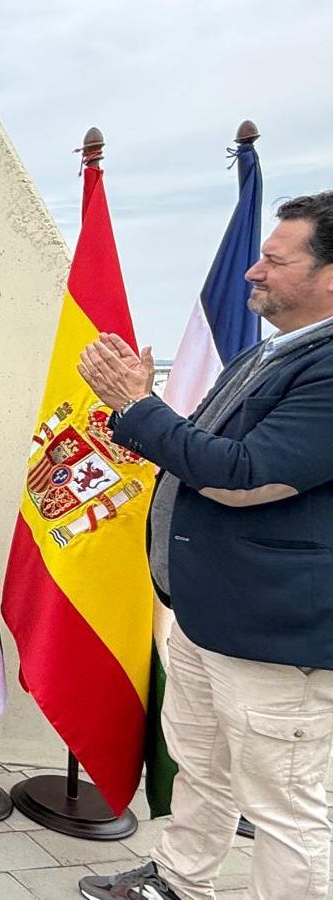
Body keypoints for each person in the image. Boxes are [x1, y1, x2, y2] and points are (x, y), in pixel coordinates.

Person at [76, 192, 333, 900]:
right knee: (204, 767)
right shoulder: (270, 355)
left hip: (275, 639)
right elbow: (207, 450)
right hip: (207, 616)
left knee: (284, 809)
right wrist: (145, 414)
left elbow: (244, 477)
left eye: (274, 261)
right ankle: (181, 883)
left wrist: (137, 405)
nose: (252, 272)